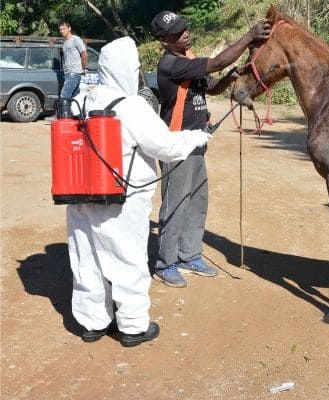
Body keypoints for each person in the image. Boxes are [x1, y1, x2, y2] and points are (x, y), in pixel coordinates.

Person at [67, 36, 212, 347]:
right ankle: (133, 326)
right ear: (126, 70)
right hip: (122, 200)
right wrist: (196, 138)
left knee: (86, 259)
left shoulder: (80, 100)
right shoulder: (131, 107)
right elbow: (167, 147)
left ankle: (93, 322)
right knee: (126, 258)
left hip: (79, 196)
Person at [150, 11, 270, 288]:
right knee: (175, 204)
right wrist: (249, 36)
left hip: (196, 143)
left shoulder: (188, 60)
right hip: (176, 145)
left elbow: (212, 87)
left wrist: (230, 77)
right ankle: (165, 264)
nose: (186, 34)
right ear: (164, 41)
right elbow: (216, 63)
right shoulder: (170, 64)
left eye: (185, 28)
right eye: (178, 33)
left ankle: (189, 256)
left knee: (196, 202)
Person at [58, 20, 88, 98]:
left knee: (64, 95)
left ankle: (63, 110)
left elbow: (84, 53)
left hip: (74, 72)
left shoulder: (76, 39)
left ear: (69, 28)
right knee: (75, 97)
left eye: (64, 29)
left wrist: (84, 68)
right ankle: (75, 110)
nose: (62, 31)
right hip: (67, 73)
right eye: (60, 29)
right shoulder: (64, 43)